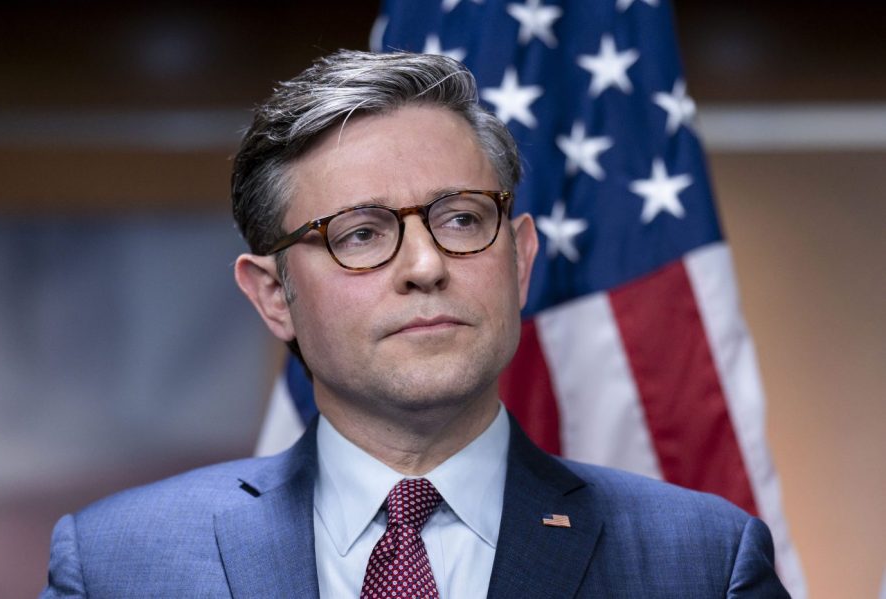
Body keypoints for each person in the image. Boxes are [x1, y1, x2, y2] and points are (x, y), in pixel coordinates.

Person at [41, 50, 789, 598]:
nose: (426, 265)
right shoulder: (117, 564)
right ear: (274, 295)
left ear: (521, 258)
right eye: (361, 233)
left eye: (461, 218)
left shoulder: (702, 561)